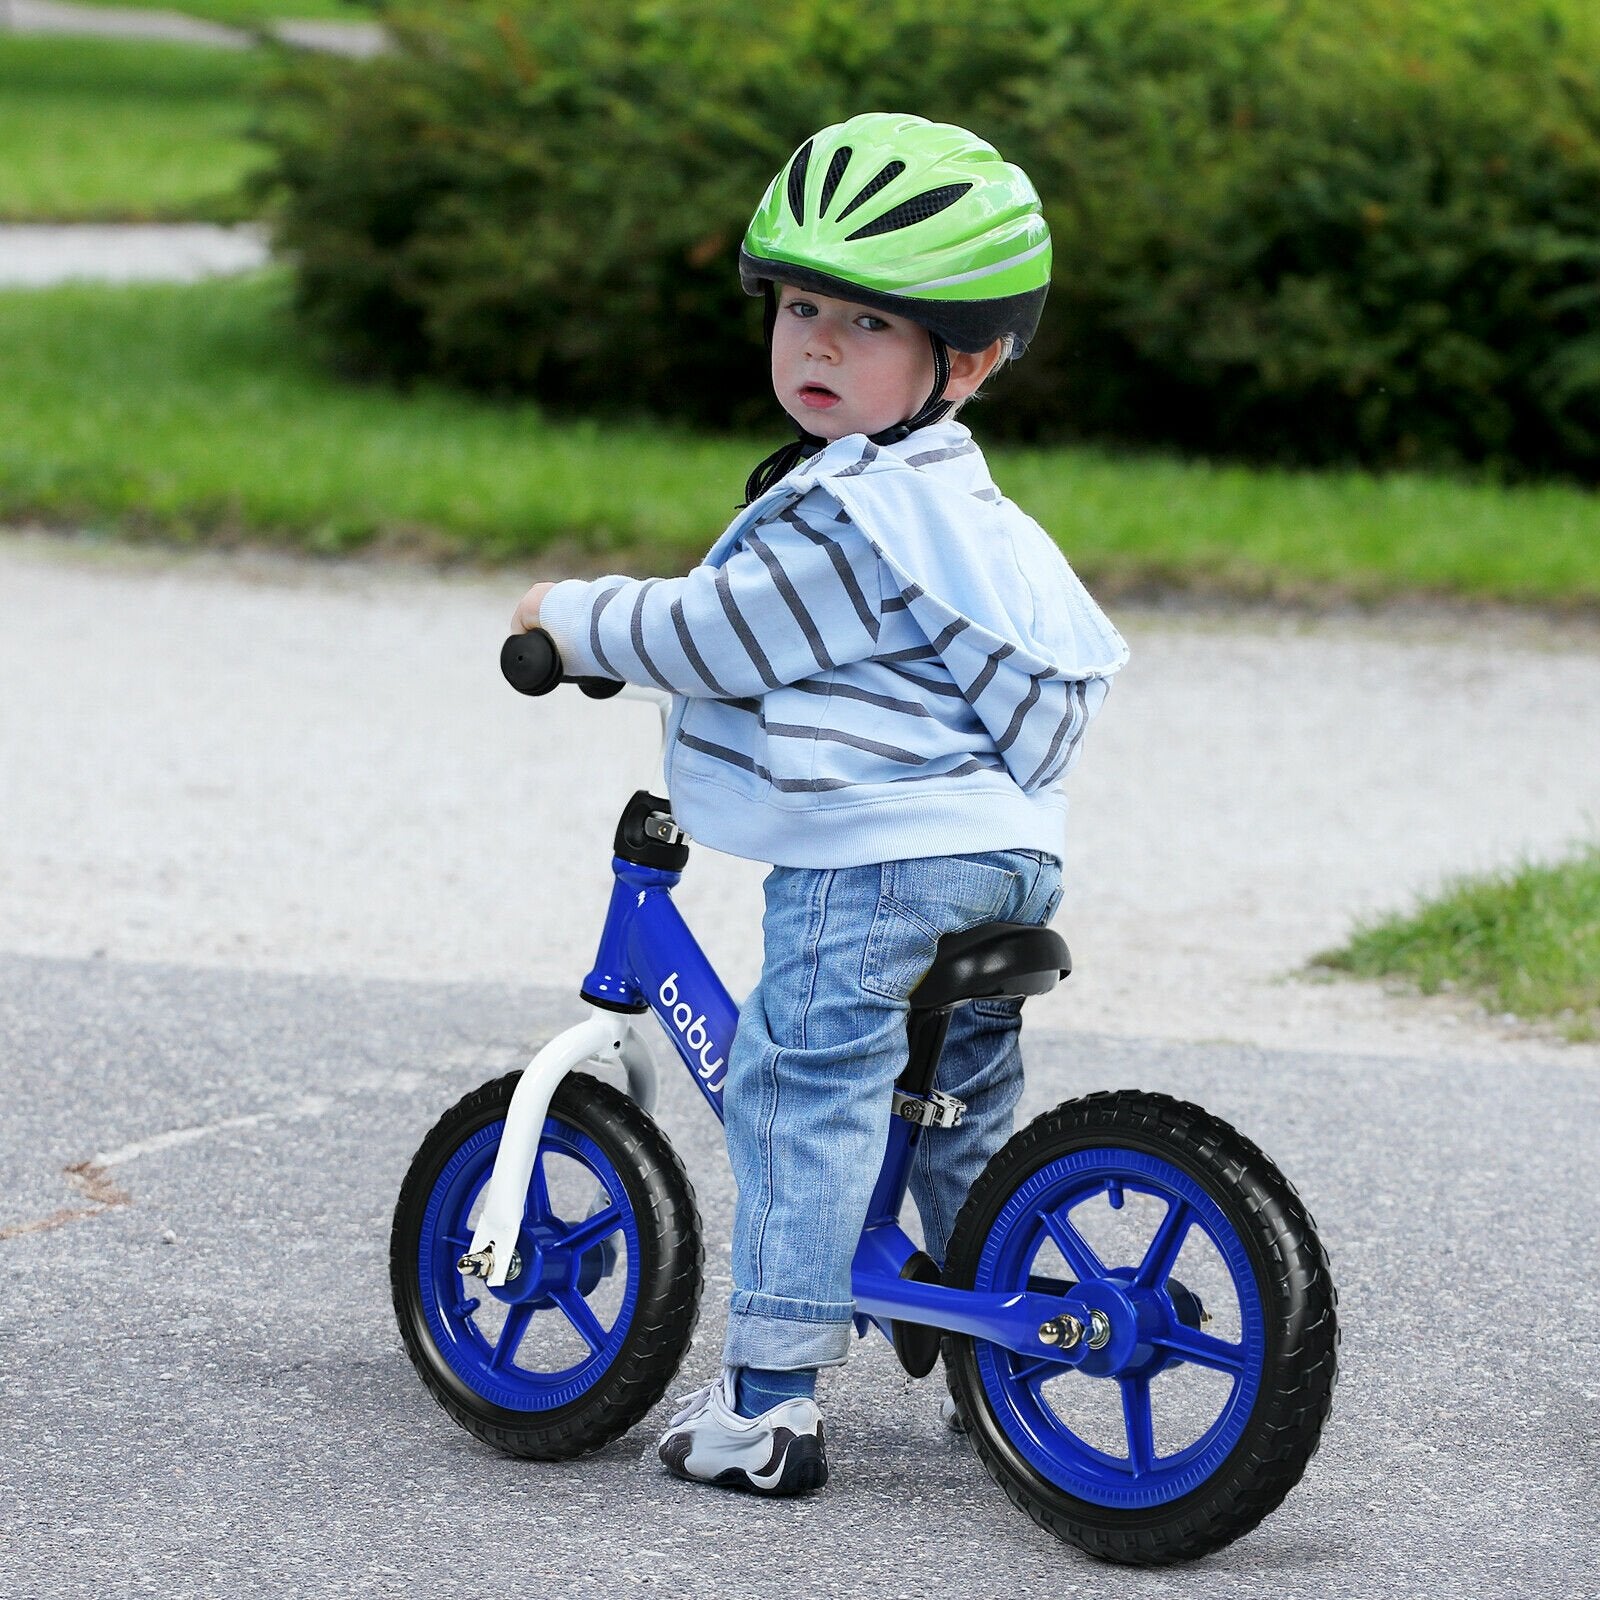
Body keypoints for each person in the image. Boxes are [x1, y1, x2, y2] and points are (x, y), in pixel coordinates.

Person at [510, 112, 1128, 1497]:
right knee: (957, 1113)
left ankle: (768, 1405)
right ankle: (999, 1367)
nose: (816, 348)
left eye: (865, 324)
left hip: (883, 868)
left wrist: (575, 618)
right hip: (1004, 855)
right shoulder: (961, 504)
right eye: (799, 309)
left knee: (799, 1088)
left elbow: (722, 633)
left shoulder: (857, 517)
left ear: (966, 360)